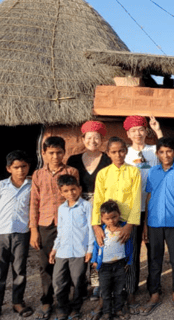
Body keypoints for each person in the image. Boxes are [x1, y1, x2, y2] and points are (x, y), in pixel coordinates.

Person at [140, 137, 174, 316]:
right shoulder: (153, 172)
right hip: (154, 222)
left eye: (169, 151)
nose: (165, 155)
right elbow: (148, 197)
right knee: (154, 260)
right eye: (162, 152)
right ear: (157, 154)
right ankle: (154, 294)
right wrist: (146, 224)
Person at [30, 136, 79, 320]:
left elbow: (74, 198)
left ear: (64, 153)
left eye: (59, 152)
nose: (55, 156)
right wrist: (34, 230)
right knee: (45, 265)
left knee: (66, 263)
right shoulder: (37, 174)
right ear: (44, 153)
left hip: (67, 224)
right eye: (51, 153)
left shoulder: (72, 171)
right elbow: (34, 203)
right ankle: (47, 300)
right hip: (45, 224)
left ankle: (64, 302)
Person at [91, 136, 141, 318]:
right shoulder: (103, 174)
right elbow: (97, 200)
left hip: (127, 223)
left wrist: (129, 225)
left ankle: (129, 295)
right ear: (108, 153)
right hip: (107, 224)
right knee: (105, 259)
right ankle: (104, 300)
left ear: (126, 151)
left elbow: (136, 199)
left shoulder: (134, 172)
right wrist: (96, 226)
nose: (118, 154)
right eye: (113, 151)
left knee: (129, 258)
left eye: (121, 150)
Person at [0, 150, 33, 320]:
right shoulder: (0, 186)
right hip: (0, 233)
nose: (20, 170)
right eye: (16, 167)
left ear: (28, 167)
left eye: (23, 166)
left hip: (22, 233)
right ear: (9, 168)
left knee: (20, 270)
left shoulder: (32, 186)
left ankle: (17, 302)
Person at [67, 121, 112, 304]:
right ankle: (79, 284)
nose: (93, 140)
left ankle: (96, 285)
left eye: (97, 137)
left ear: (102, 140)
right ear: (83, 139)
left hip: (100, 206)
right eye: (89, 137)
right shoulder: (74, 160)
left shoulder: (108, 159)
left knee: (97, 245)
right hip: (79, 206)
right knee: (79, 244)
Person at [123, 115, 163, 312]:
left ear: (146, 131)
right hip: (132, 209)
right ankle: (130, 289)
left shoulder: (154, 151)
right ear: (128, 134)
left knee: (154, 250)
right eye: (134, 130)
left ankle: (154, 287)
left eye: (141, 129)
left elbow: (166, 151)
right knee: (132, 251)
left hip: (153, 208)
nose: (138, 133)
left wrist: (158, 130)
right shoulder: (125, 154)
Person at [48, 174, 94, 320]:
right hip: (62, 251)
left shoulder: (86, 206)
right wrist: (54, 249)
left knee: (78, 281)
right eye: (66, 191)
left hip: (79, 251)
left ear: (79, 189)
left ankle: (76, 308)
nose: (70, 193)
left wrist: (90, 249)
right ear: (61, 192)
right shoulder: (61, 209)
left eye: (73, 189)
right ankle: (63, 307)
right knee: (58, 281)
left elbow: (91, 229)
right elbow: (60, 231)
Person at [91, 200, 133, 320]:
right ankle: (106, 313)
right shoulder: (102, 231)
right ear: (102, 219)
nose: (111, 221)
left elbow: (129, 247)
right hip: (104, 267)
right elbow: (96, 246)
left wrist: (129, 261)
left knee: (119, 290)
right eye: (107, 219)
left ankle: (118, 310)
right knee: (105, 291)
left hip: (120, 265)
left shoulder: (124, 230)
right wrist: (94, 261)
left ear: (119, 214)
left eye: (114, 217)